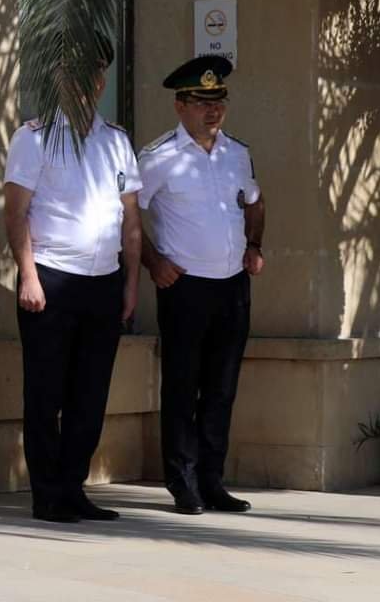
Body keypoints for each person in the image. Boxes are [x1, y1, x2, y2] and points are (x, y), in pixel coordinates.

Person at [3, 37, 142, 523]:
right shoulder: (35, 136)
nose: (93, 83)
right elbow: (15, 212)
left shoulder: (117, 140)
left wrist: (129, 284)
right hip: (52, 280)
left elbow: (130, 220)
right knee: (46, 394)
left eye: (98, 73)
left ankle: (73, 486)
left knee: (90, 395)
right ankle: (47, 493)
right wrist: (28, 274)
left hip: (102, 281)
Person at [138, 56, 265, 515]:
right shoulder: (157, 157)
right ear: (180, 106)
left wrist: (255, 245)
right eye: (201, 102)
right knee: (181, 386)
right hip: (185, 287)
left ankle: (212, 480)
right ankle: (182, 481)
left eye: (218, 100)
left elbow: (254, 200)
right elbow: (126, 214)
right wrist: (153, 262)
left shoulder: (237, 152)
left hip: (232, 286)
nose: (212, 110)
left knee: (221, 388)